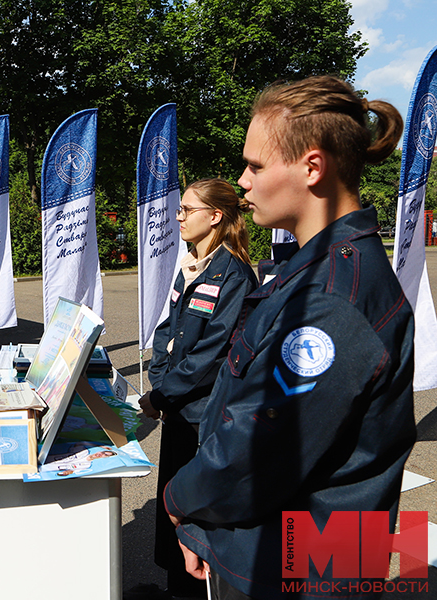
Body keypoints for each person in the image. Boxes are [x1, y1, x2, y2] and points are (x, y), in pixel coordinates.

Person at [163, 76, 416, 599]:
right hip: (295, 551)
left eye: (255, 165)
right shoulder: (312, 272)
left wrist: (181, 500)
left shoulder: (330, 299)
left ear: (313, 167)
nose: (244, 181)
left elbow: (256, 449)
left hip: (304, 567)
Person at [138, 179, 257, 598]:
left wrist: (162, 395)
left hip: (203, 414)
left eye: (187, 210)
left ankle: (191, 592)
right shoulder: (192, 262)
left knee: (195, 509)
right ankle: (173, 587)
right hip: (177, 406)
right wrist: (158, 383)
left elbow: (211, 353)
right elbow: (168, 328)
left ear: (216, 216)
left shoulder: (234, 274)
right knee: (172, 499)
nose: (179, 217)